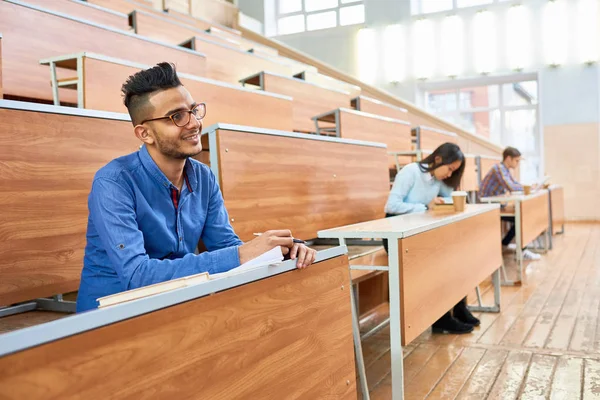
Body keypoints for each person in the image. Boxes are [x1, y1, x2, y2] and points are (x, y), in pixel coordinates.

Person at [76, 62, 317, 312]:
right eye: (176, 117)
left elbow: (224, 245)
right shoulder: (113, 182)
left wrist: (283, 251)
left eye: (193, 110)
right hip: (111, 315)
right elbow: (137, 275)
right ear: (144, 134)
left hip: (175, 302)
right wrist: (243, 255)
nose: (193, 124)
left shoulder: (203, 176)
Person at [384, 143, 480, 334]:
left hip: (420, 232)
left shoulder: (437, 179)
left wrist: (450, 200)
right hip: (396, 234)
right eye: (450, 168)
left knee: (458, 253)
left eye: (454, 171)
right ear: (438, 159)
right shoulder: (410, 172)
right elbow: (391, 206)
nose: (450, 174)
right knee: (441, 258)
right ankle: (442, 318)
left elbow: (451, 197)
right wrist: (425, 207)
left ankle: (459, 308)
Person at [479, 146, 541, 261]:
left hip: (496, 204)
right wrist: (527, 187)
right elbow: (511, 186)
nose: (517, 164)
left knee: (522, 217)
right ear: (508, 158)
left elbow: (514, 183)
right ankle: (519, 250)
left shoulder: (505, 169)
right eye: (516, 160)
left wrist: (527, 187)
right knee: (522, 218)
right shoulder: (498, 168)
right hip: (488, 206)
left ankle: (506, 245)